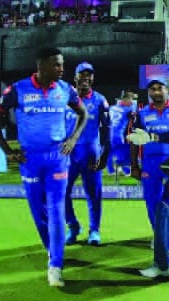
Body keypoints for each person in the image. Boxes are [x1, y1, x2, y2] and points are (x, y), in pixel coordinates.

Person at [0, 47, 88, 287]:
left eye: (62, 64)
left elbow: (82, 114)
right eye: (57, 65)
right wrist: (7, 151)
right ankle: (52, 249)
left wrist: (72, 139)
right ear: (41, 67)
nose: (62, 69)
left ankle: (56, 266)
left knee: (56, 210)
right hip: (30, 161)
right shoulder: (18, 89)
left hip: (57, 158)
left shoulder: (66, 90)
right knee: (38, 212)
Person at [129, 78, 169, 278]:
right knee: (153, 207)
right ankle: (162, 243)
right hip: (150, 165)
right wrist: (134, 164)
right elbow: (134, 141)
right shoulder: (142, 113)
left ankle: (165, 247)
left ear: (167, 90)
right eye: (152, 88)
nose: (156, 91)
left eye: (160, 87)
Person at [64, 62, 111, 246]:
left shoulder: (100, 100)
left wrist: (105, 154)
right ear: (75, 77)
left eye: (89, 74)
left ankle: (94, 230)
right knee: (61, 192)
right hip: (67, 152)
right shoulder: (64, 98)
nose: (86, 78)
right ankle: (73, 226)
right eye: (82, 74)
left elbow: (107, 129)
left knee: (93, 193)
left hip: (91, 151)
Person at [107, 89, 138, 177]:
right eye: (130, 100)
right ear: (125, 100)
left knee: (109, 153)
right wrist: (134, 98)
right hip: (117, 135)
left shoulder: (112, 107)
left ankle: (111, 171)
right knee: (122, 153)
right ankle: (127, 171)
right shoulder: (127, 109)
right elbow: (134, 110)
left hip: (109, 133)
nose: (132, 102)